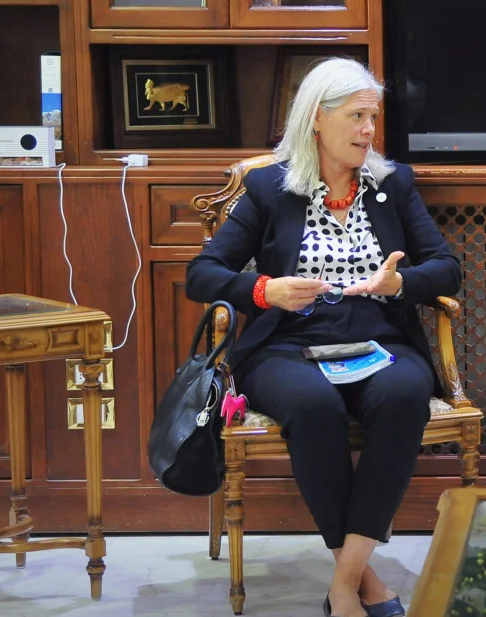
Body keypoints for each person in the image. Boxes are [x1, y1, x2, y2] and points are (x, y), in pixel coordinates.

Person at [186, 57, 462, 617]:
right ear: (317, 117)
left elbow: (446, 269)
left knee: (404, 396)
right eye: (357, 116)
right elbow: (202, 275)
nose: (369, 130)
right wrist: (266, 290)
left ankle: (344, 584)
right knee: (313, 408)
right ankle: (364, 580)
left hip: (379, 341)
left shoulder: (392, 184)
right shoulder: (270, 189)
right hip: (287, 345)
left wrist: (400, 283)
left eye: (373, 118)